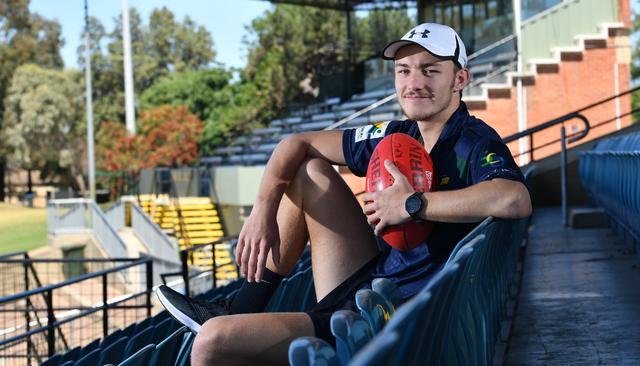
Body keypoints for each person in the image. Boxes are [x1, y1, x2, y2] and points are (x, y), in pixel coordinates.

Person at [156, 22, 532, 365]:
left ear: (460, 79)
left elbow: (514, 198)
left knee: (210, 342)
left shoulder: (471, 139)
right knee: (307, 172)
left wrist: (414, 205)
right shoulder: (397, 134)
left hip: (387, 313)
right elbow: (297, 142)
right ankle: (240, 305)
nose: (414, 82)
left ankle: (229, 323)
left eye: (430, 70)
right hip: (372, 281)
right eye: (404, 71)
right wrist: (262, 210)